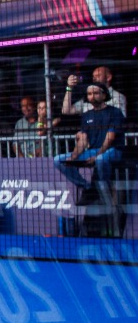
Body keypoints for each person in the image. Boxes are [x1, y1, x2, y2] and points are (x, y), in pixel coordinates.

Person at [55, 80, 126, 228]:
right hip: (92, 150)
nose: (92, 96)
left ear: (104, 95)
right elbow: (83, 139)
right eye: (89, 94)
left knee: (100, 159)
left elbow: (110, 138)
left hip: (113, 150)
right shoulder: (87, 115)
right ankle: (88, 188)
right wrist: (73, 157)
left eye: (95, 93)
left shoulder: (115, 112)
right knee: (58, 160)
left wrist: (97, 155)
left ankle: (101, 186)